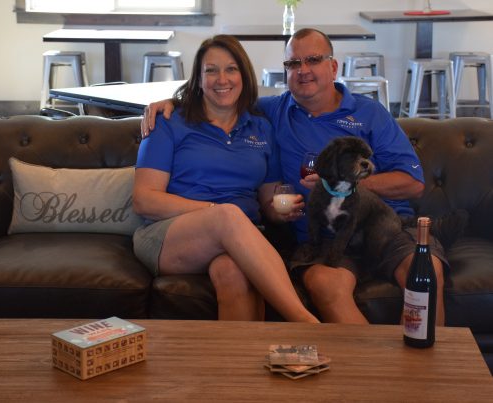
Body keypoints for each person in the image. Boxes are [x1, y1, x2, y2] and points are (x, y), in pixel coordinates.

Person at [141, 29, 448, 326]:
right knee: (325, 284)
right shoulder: (272, 112)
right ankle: (361, 364)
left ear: (333, 66)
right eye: (293, 63)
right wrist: (172, 102)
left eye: (313, 60)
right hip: (324, 239)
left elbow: (413, 183)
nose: (303, 71)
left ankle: (422, 374)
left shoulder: (369, 113)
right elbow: (218, 99)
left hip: (387, 225)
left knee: (425, 274)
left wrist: (343, 186)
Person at [133, 34, 317, 323]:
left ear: (244, 74)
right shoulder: (168, 121)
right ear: (198, 78)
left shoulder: (260, 127)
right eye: (211, 70)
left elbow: (269, 199)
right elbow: (144, 200)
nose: (222, 79)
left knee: (232, 272)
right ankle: (306, 323)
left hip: (241, 236)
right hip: (169, 236)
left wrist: (281, 211)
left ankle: (238, 366)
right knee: (228, 216)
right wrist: (215, 213)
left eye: (231, 69)